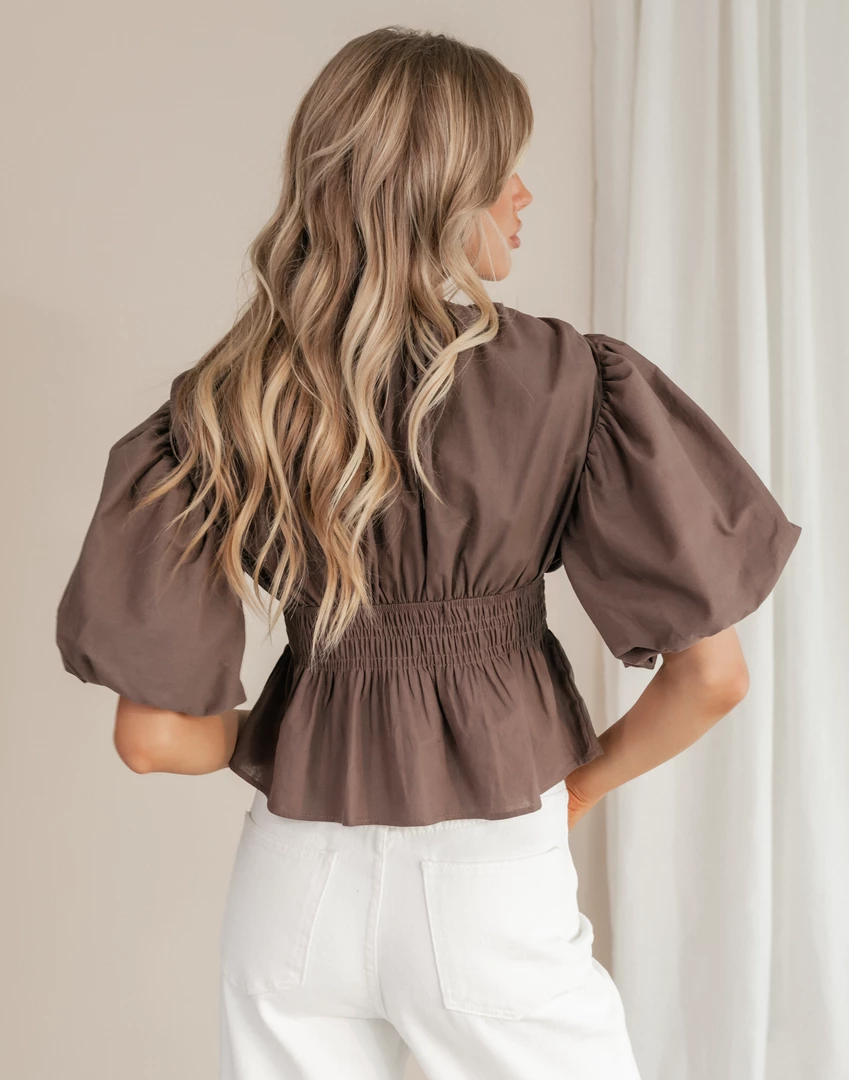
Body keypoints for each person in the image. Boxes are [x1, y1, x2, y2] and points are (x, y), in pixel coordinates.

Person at [55, 26, 801, 1080]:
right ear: (442, 194)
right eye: (502, 171)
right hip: (488, 877)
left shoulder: (225, 403)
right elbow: (713, 677)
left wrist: (290, 730)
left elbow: (150, 740)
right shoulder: (566, 381)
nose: (523, 195)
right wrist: (583, 788)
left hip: (291, 888)